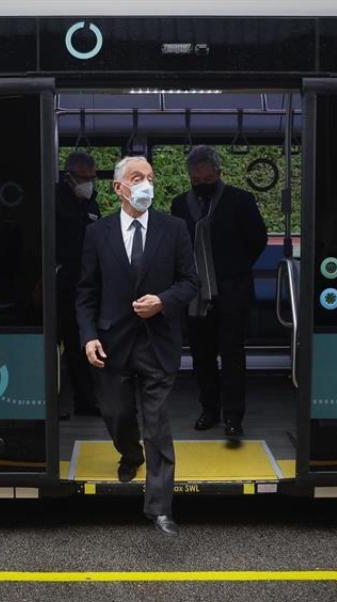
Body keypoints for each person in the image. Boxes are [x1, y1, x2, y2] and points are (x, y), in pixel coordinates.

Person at [76, 156, 199, 536]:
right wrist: (88, 335)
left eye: (149, 177)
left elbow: (190, 282)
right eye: (136, 177)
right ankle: (130, 454)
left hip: (158, 343)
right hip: (113, 343)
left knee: (157, 424)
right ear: (118, 188)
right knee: (116, 413)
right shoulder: (99, 234)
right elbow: (86, 291)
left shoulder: (174, 228)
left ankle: (160, 507)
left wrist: (162, 300)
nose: (146, 184)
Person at [170, 146, 267, 439]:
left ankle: (234, 417)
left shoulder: (241, 200)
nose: (202, 184)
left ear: (218, 173)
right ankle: (209, 410)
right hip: (195, 293)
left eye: (207, 178)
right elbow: (178, 245)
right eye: (196, 180)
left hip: (232, 290)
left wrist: (232, 269)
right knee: (201, 356)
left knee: (232, 355)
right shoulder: (180, 204)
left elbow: (257, 240)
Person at [56, 151, 101, 416]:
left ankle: (85, 401)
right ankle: (54, 404)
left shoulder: (91, 204)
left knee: (79, 344)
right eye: (84, 178)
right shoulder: (52, 202)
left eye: (92, 178)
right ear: (69, 177)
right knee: (54, 346)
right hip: (57, 282)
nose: (89, 183)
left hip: (83, 284)